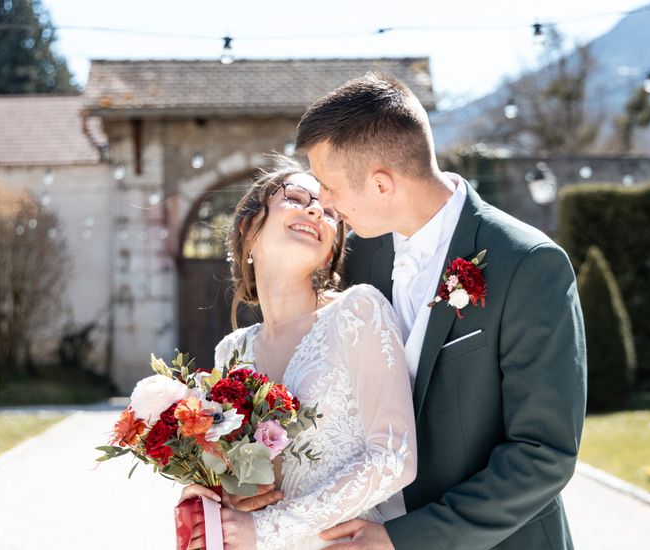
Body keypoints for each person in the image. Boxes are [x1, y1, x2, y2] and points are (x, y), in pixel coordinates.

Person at [234, 73, 587, 549]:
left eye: (329, 187)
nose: (326, 206)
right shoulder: (361, 258)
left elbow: (544, 453)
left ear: (381, 185)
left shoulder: (528, 264)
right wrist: (215, 478)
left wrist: (406, 540)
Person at [182, 159, 417, 550]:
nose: (315, 210)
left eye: (329, 212)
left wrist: (269, 530)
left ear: (329, 254)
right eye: (295, 197)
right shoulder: (231, 352)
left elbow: (394, 455)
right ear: (249, 228)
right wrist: (209, 499)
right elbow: (237, 483)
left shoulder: (358, 312)